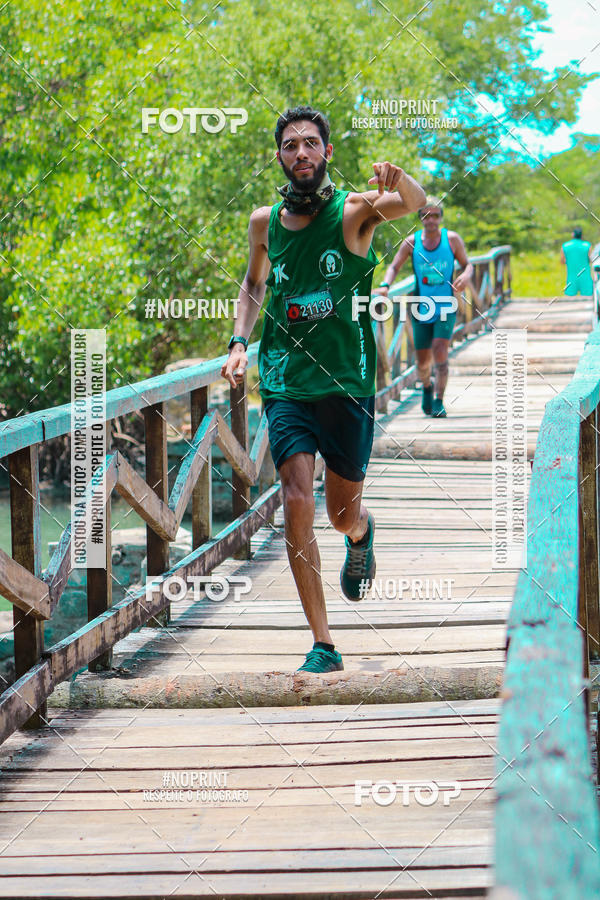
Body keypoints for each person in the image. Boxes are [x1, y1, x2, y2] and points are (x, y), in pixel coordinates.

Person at [221, 105, 425, 673]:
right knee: (294, 498)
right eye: (291, 145)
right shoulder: (264, 223)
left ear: (327, 153)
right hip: (285, 382)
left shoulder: (353, 213)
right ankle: (323, 642)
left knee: (339, 515)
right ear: (280, 157)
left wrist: (399, 177)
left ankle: (362, 535)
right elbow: (253, 283)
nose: (302, 153)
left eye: (311, 143)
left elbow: (417, 203)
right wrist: (239, 342)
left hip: (348, 383)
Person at [375, 197, 472, 417]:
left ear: (441, 218)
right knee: (422, 361)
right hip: (421, 307)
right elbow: (394, 266)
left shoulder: (452, 240)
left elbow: (468, 265)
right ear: (420, 218)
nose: (431, 220)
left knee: (440, 350)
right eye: (426, 215)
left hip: (446, 305)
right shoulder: (412, 242)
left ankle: (439, 401)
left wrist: (465, 275)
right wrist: (384, 285)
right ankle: (427, 386)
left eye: (435, 215)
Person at [560, 227, 594, 296]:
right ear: (581, 235)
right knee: (588, 299)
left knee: (570, 300)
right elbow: (591, 260)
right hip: (585, 277)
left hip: (571, 277)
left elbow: (562, 261)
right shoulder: (587, 245)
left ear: (573, 235)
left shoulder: (565, 246)